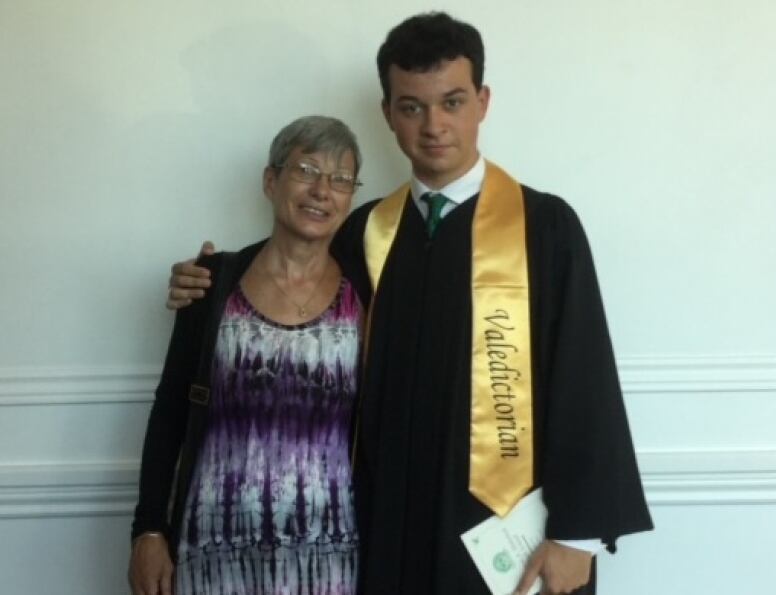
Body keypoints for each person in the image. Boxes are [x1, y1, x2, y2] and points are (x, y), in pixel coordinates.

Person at [167, 13, 653, 595]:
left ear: (483, 101)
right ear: (388, 115)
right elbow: (293, 265)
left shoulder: (543, 227)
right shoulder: (367, 231)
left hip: (506, 534)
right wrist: (212, 278)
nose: (434, 127)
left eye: (452, 102)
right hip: (382, 524)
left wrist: (578, 537)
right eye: (412, 107)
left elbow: (585, 380)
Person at [129, 115, 365, 595]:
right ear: (271, 181)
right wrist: (148, 529)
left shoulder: (367, 291)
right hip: (214, 549)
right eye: (306, 170)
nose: (323, 190)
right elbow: (170, 410)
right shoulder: (213, 282)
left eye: (341, 179)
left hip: (330, 554)